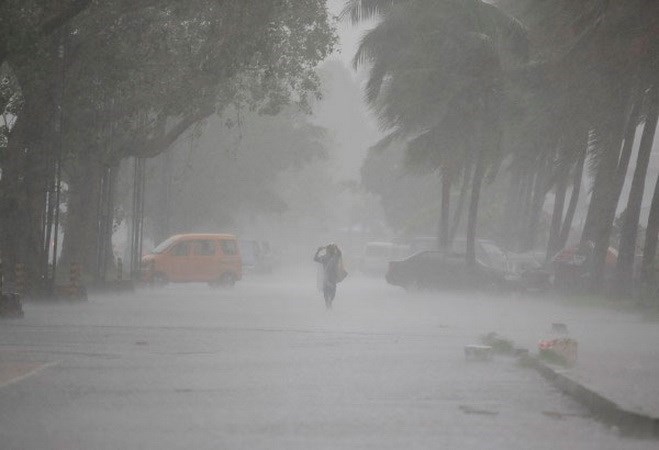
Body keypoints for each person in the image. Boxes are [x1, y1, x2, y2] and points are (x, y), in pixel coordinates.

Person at [313, 243, 346, 309]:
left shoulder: (325, 258)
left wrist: (318, 251)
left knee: (327, 292)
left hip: (326, 278)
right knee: (332, 292)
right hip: (332, 278)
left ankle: (328, 304)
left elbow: (315, 258)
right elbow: (340, 254)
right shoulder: (334, 257)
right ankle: (329, 303)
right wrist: (337, 247)